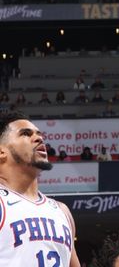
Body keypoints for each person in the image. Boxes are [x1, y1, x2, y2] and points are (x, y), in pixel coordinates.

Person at [0, 111, 81, 267]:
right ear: (1, 151)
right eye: (25, 134)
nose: (39, 138)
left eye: (39, 134)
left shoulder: (62, 211)